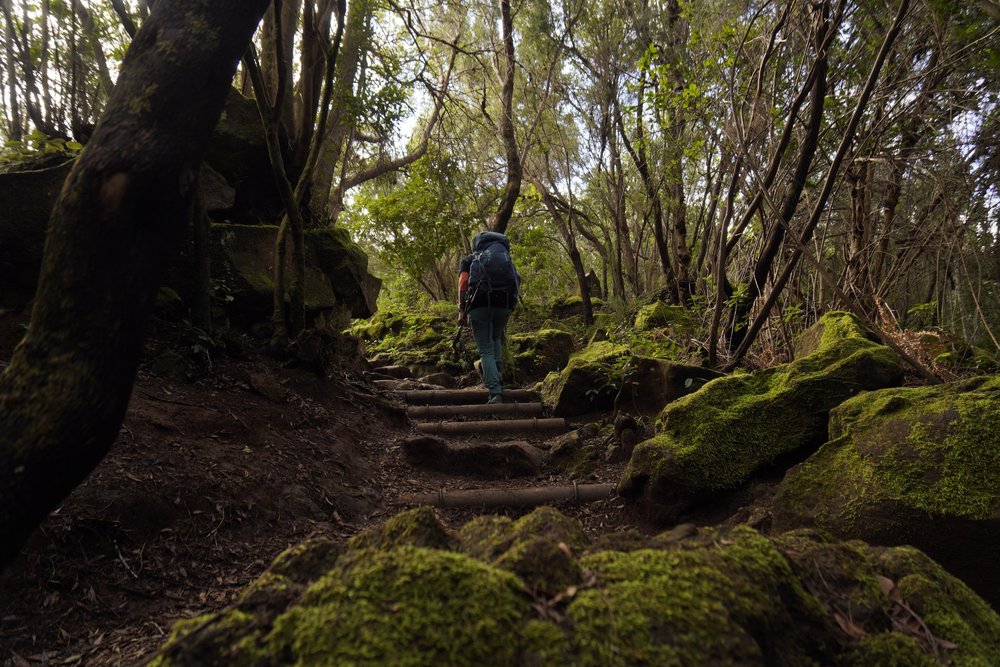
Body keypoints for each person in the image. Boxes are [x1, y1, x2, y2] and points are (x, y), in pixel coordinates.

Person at [458, 231, 520, 404]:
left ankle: (495, 393)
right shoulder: (505, 258)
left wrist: (462, 310)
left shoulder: (469, 260)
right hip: (504, 305)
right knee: (495, 339)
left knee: (485, 350)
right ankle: (498, 377)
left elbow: (463, 283)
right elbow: (517, 279)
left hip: (479, 306)